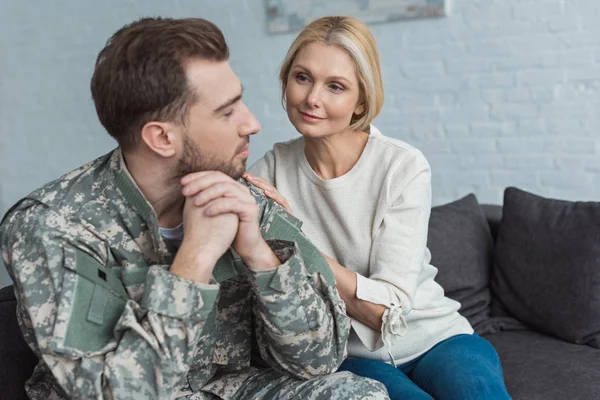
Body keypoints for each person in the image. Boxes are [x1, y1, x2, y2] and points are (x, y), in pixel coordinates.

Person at [0, 17, 390, 400]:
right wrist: (196, 258)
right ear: (162, 138)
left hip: (226, 389)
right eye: (227, 111)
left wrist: (260, 255)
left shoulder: (242, 197)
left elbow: (318, 362)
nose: (252, 123)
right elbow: (113, 392)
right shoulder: (51, 225)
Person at [246, 16, 512, 400]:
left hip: (436, 338)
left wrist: (293, 242)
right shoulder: (271, 168)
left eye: (335, 86)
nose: (312, 98)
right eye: (302, 77)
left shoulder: (402, 166)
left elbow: (384, 310)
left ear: (361, 101)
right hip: (349, 355)